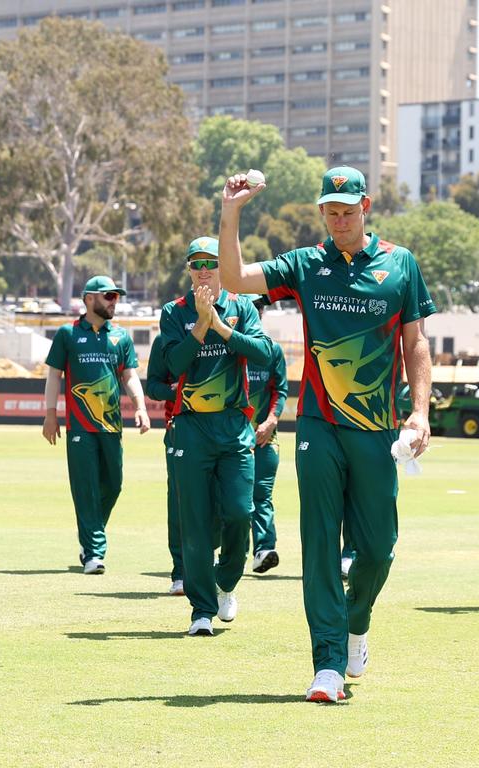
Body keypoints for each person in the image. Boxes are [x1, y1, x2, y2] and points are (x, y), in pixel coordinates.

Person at [219, 166, 436, 704]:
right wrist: (231, 212)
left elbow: (416, 345)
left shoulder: (400, 264)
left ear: (366, 206)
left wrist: (421, 412)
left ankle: (356, 620)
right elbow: (234, 280)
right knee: (319, 547)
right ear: (321, 212)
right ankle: (328, 666)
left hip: (376, 431)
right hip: (318, 425)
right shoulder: (305, 264)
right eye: (330, 211)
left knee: (380, 548)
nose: (339, 220)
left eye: (347, 210)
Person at [158, 236, 273, 637]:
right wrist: (200, 325)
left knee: (240, 512)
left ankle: (227, 582)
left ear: (223, 266)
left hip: (233, 426)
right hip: (191, 427)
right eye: (196, 263)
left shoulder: (242, 307)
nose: (204, 270)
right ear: (189, 269)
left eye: (211, 262)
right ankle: (201, 610)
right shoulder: (173, 313)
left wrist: (220, 327)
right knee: (195, 522)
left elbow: (263, 354)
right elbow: (172, 364)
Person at [42, 276, 150, 574]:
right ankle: (93, 553)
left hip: (111, 428)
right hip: (79, 429)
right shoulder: (67, 334)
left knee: (113, 485)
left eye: (116, 297)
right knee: (85, 489)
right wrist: (50, 413)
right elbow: (54, 376)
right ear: (89, 299)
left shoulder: (121, 337)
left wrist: (139, 407)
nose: (115, 301)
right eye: (109, 296)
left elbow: (129, 376)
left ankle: (91, 533)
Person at [244, 294, 288, 574]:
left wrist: (271, 420)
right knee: (231, 498)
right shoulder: (227, 347)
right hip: (232, 438)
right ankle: (226, 550)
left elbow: (280, 391)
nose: (257, 312)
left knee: (262, 494)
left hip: (265, 437)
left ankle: (264, 549)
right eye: (252, 307)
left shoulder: (272, 350)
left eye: (260, 308)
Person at [145, 333, 184, 595]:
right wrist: (174, 390)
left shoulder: (230, 328)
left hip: (223, 430)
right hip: (178, 428)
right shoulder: (166, 337)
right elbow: (153, 386)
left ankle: (214, 559)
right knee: (179, 501)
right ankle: (181, 572)